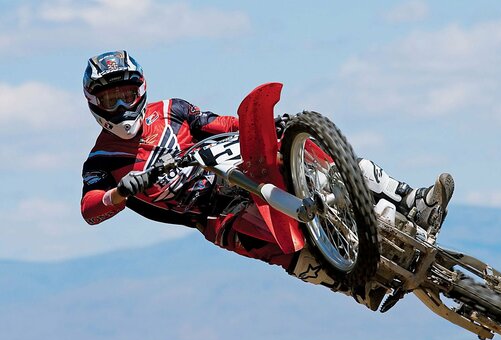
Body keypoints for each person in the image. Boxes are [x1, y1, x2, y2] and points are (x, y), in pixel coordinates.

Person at [80, 50, 454, 309]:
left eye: (126, 94)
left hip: (232, 168)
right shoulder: (101, 158)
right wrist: (117, 194)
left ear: (141, 89)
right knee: (273, 249)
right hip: (212, 214)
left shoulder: (172, 110)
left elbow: (217, 123)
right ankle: (355, 286)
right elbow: (89, 211)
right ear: (95, 103)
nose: (122, 106)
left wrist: (261, 124)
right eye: (110, 98)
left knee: (322, 156)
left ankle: (413, 202)